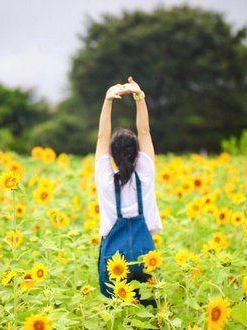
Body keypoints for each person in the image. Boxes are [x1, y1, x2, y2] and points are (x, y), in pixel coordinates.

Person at [95, 76, 162, 304]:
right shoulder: (145, 173)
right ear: (137, 153)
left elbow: (103, 136)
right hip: (145, 255)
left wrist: (108, 100)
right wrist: (139, 96)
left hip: (114, 259)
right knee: (149, 313)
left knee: (117, 315)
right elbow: (145, 132)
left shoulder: (105, 178)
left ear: (112, 155)